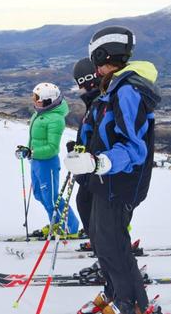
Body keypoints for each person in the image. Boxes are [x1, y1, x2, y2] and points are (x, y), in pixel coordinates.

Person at [65, 26, 161, 314]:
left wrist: (99, 163)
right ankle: (114, 292)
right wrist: (83, 154)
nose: (94, 67)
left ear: (104, 55)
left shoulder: (128, 91)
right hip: (104, 181)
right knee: (101, 240)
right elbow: (102, 134)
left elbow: (133, 147)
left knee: (114, 244)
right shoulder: (114, 87)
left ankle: (130, 304)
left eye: (96, 60)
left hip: (121, 182)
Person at [15, 82, 79, 237]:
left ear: (48, 100)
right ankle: (56, 223)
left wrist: (32, 152)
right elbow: (36, 140)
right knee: (39, 194)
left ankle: (70, 228)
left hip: (47, 162)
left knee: (51, 198)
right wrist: (27, 151)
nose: (34, 100)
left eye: (37, 98)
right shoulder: (40, 113)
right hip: (36, 161)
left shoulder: (55, 119)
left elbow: (52, 147)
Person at [71, 57, 102, 237]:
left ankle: (108, 249)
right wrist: (77, 148)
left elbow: (100, 137)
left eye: (80, 83)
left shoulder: (100, 102)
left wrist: (84, 152)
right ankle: (100, 245)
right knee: (85, 204)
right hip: (89, 165)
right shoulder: (93, 102)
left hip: (96, 167)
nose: (80, 88)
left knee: (87, 204)